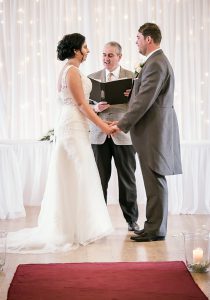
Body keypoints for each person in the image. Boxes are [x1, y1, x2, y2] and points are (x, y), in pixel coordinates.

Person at [6, 33, 113, 254]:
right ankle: (72, 229)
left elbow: (77, 104)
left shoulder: (68, 70)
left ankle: (76, 227)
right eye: (85, 47)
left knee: (75, 175)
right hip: (73, 128)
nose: (88, 51)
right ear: (76, 50)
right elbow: (81, 105)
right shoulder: (72, 71)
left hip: (73, 124)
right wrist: (103, 126)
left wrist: (97, 109)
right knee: (79, 174)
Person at [113, 23, 182, 242]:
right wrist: (133, 90)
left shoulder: (156, 63)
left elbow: (144, 101)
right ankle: (152, 225)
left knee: (154, 178)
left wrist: (122, 123)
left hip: (153, 131)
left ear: (148, 39)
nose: (136, 42)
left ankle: (155, 229)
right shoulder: (156, 62)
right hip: (152, 130)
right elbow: (144, 94)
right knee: (152, 179)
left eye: (138, 38)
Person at [88, 41, 139, 232]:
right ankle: (97, 221)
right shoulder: (92, 78)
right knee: (99, 180)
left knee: (127, 179)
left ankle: (131, 220)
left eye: (110, 55)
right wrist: (96, 107)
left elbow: (140, 106)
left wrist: (133, 95)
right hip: (99, 135)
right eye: (103, 55)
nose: (106, 59)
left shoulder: (133, 78)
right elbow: (82, 105)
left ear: (120, 57)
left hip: (123, 134)